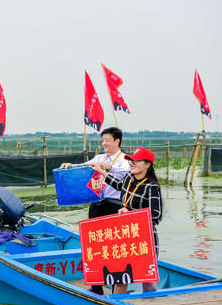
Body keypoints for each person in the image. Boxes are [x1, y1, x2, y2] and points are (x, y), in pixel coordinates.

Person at [60, 126, 130, 295]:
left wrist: (107, 167)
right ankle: (97, 286)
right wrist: (70, 165)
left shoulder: (124, 160)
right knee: (94, 245)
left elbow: (124, 173)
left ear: (117, 141)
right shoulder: (99, 157)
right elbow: (84, 166)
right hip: (97, 204)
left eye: (107, 140)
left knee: (114, 247)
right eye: (103, 140)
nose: (104, 143)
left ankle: (116, 288)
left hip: (114, 206)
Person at [91, 147, 162, 294]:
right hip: (125, 237)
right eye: (130, 160)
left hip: (144, 238)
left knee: (147, 282)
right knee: (120, 279)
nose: (132, 163)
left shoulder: (152, 186)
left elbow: (156, 215)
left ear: (147, 164)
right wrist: (102, 172)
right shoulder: (129, 178)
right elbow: (118, 185)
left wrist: (131, 213)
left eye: (136, 160)